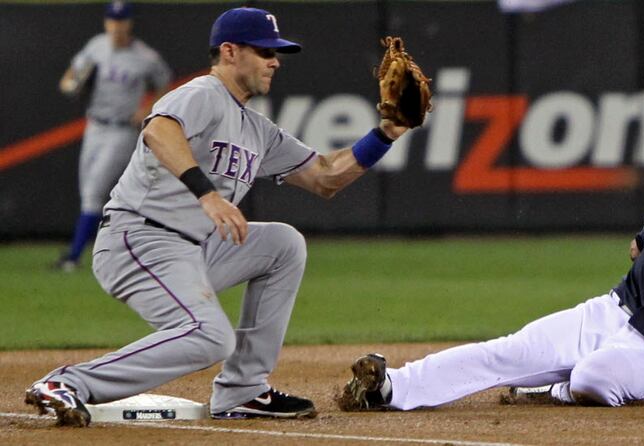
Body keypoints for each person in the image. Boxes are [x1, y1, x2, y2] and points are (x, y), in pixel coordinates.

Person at [26, 6, 409, 427]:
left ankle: (244, 391)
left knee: (283, 244)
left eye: (276, 53)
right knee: (209, 337)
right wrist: (206, 194)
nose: (275, 61)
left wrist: (386, 134)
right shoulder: (202, 93)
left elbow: (325, 177)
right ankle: (67, 383)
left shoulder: (256, 128)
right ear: (229, 51)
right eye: (264, 51)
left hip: (192, 247)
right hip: (138, 238)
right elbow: (158, 131)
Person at [337, 116, 644, 412]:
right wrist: (643, 246)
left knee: (593, 377)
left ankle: (556, 387)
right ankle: (390, 387)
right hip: (610, 311)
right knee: (507, 350)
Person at [55, 1, 172, 272]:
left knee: (95, 189)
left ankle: (73, 257)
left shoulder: (145, 56)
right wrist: (71, 85)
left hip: (122, 130)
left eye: (121, 20)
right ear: (106, 22)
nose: (116, 26)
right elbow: (70, 77)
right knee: (87, 190)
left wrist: (148, 108)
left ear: (129, 23)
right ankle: (100, 251)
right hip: (95, 125)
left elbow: (165, 82)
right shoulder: (96, 45)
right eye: (112, 20)